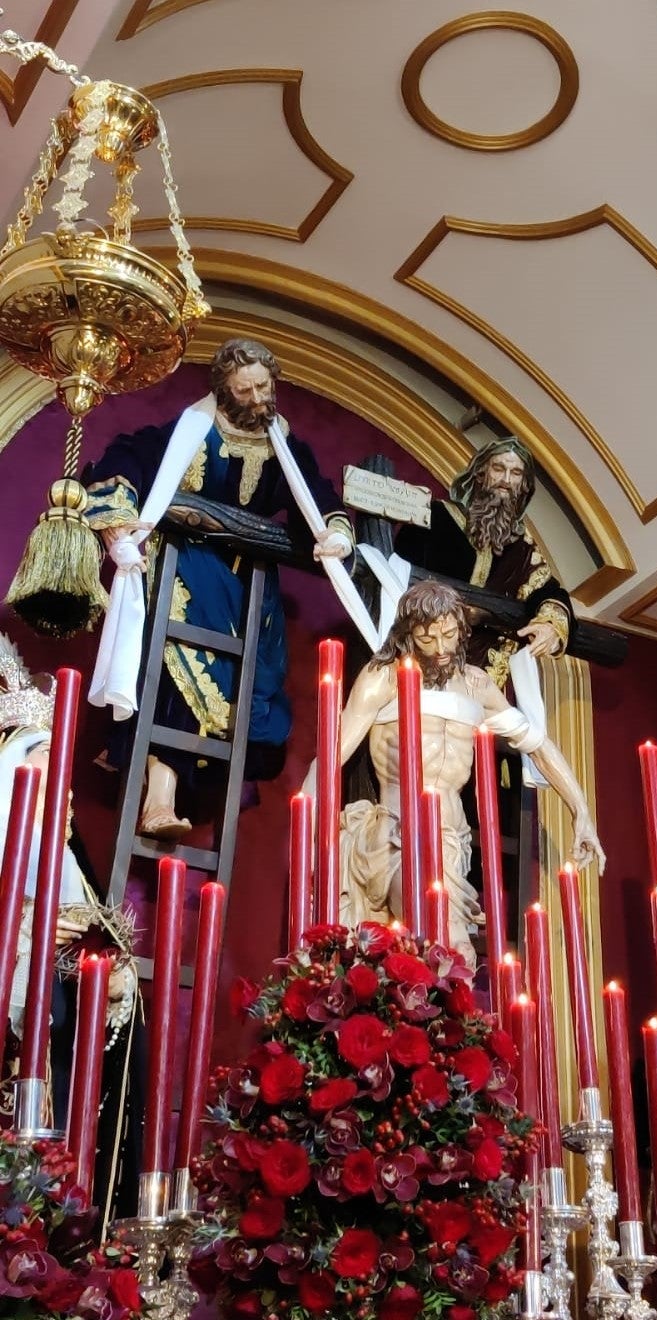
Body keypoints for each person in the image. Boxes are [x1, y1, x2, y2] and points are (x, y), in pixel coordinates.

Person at [84, 338, 355, 839]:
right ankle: (159, 799)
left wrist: (333, 529)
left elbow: (314, 495)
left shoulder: (284, 445)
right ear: (224, 392)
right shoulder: (194, 430)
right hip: (184, 567)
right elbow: (132, 456)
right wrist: (121, 518)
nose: (256, 398)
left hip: (250, 585)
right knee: (174, 672)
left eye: (263, 386)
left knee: (245, 689)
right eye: (245, 389)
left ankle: (174, 783)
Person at [309, 580, 605, 966]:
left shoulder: (477, 685)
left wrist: (581, 811)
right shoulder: (383, 678)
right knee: (443, 947)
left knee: (450, 959)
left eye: (449, 635)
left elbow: (538, 744)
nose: (442, 648)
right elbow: (329, 758)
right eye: (428, 638)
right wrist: (313, 838)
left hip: (454, 843)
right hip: (398, 836)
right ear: (408, 634)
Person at [0, 637, 141, 1229]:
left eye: (62, 775)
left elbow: (100, 967)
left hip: (60, 1064)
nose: (65, 793)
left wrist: (108, 974)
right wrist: (33, 935)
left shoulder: (70, 870)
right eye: (43, 773)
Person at [394, 439, 572, 688]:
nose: (506, 480)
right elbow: (393, 577)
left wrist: (551, 627)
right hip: (418, 664)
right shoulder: (434, 518)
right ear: (480, 474)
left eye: (516, 473)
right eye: (498, 469)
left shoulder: (523, 550)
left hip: (478, 679)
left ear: (524, 486)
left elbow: (551, 593)